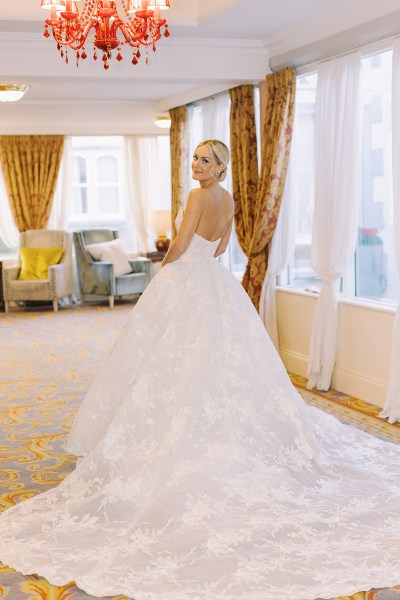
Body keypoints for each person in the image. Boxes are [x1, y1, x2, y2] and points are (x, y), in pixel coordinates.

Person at [0, 139, 399, 600]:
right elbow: (221, 246)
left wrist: (165, 274)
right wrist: (195, 264)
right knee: (221, 363)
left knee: (171, 362)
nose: (196, 165)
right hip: (215, 283)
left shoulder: (196, 196)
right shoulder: (227, 199)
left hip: (186, 280)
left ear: (221, 167)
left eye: (205, 160)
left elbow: (184, 243)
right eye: (194, 158)